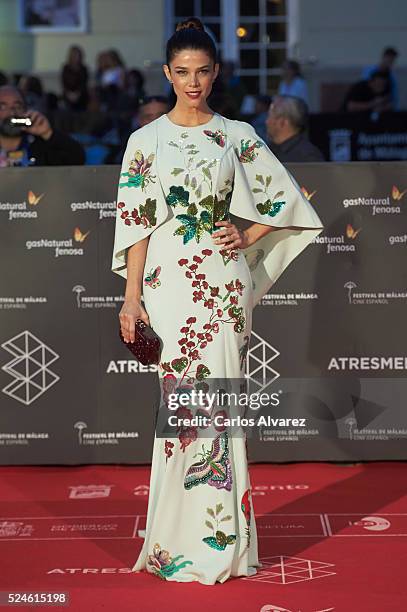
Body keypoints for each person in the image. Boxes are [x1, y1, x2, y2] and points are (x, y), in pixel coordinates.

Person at [111, 17, 323, 584]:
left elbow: (286, 201)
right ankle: (172, 544)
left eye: (202, 72)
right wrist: (132, 300)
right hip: (167, 288)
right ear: (166, 74)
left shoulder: (237, 134)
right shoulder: (145, 141)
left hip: (222, 286)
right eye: (181, 73)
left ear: (216, 73)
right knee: (179, 410)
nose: (192, 82)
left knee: (220, 409)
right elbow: (136, 224)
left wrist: (246, 234)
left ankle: (225, 544)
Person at [0, 85, 85, 167]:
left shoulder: (40, 145)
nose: (11, 112)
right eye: (2, 107)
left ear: (25, 110)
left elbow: (77, 159)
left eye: (17, 106)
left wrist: (48, 133)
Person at [266, 95, 325, 162]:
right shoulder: (267, 151)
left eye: (270, 116)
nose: (266, 122)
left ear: (282, 122)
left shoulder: (308, 156)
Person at [61, 45, 89, 112]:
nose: (75, 57)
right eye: (73, 55)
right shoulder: (66, 68)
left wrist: (77, 94)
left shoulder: (83, 69)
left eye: (77, 55)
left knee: (83, 98)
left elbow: (83, 83)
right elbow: (64, 82)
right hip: (68, 93)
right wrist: (69, 93)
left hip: (81, 94)